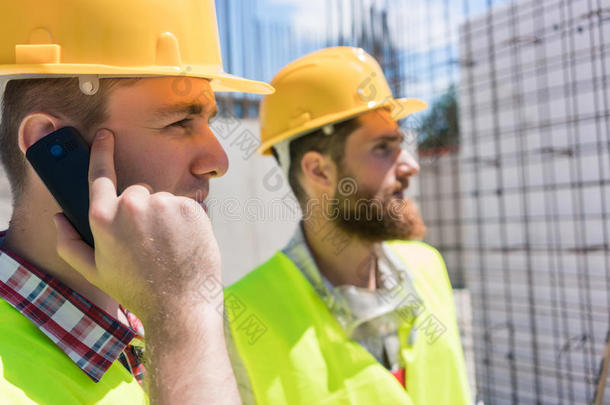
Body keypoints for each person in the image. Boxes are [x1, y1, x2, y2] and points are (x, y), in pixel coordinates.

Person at [0, 0, 273, 403]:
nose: (219, 161)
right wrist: (183, 317)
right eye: (179, 121)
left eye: (208, 122)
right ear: (50, 144)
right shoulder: (178, 322)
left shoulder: (145, 328)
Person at [226, 47, 471, 404]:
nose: (410, 166)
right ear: (319, 171)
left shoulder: (428, 266)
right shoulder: (241, 318)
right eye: (383, 148)